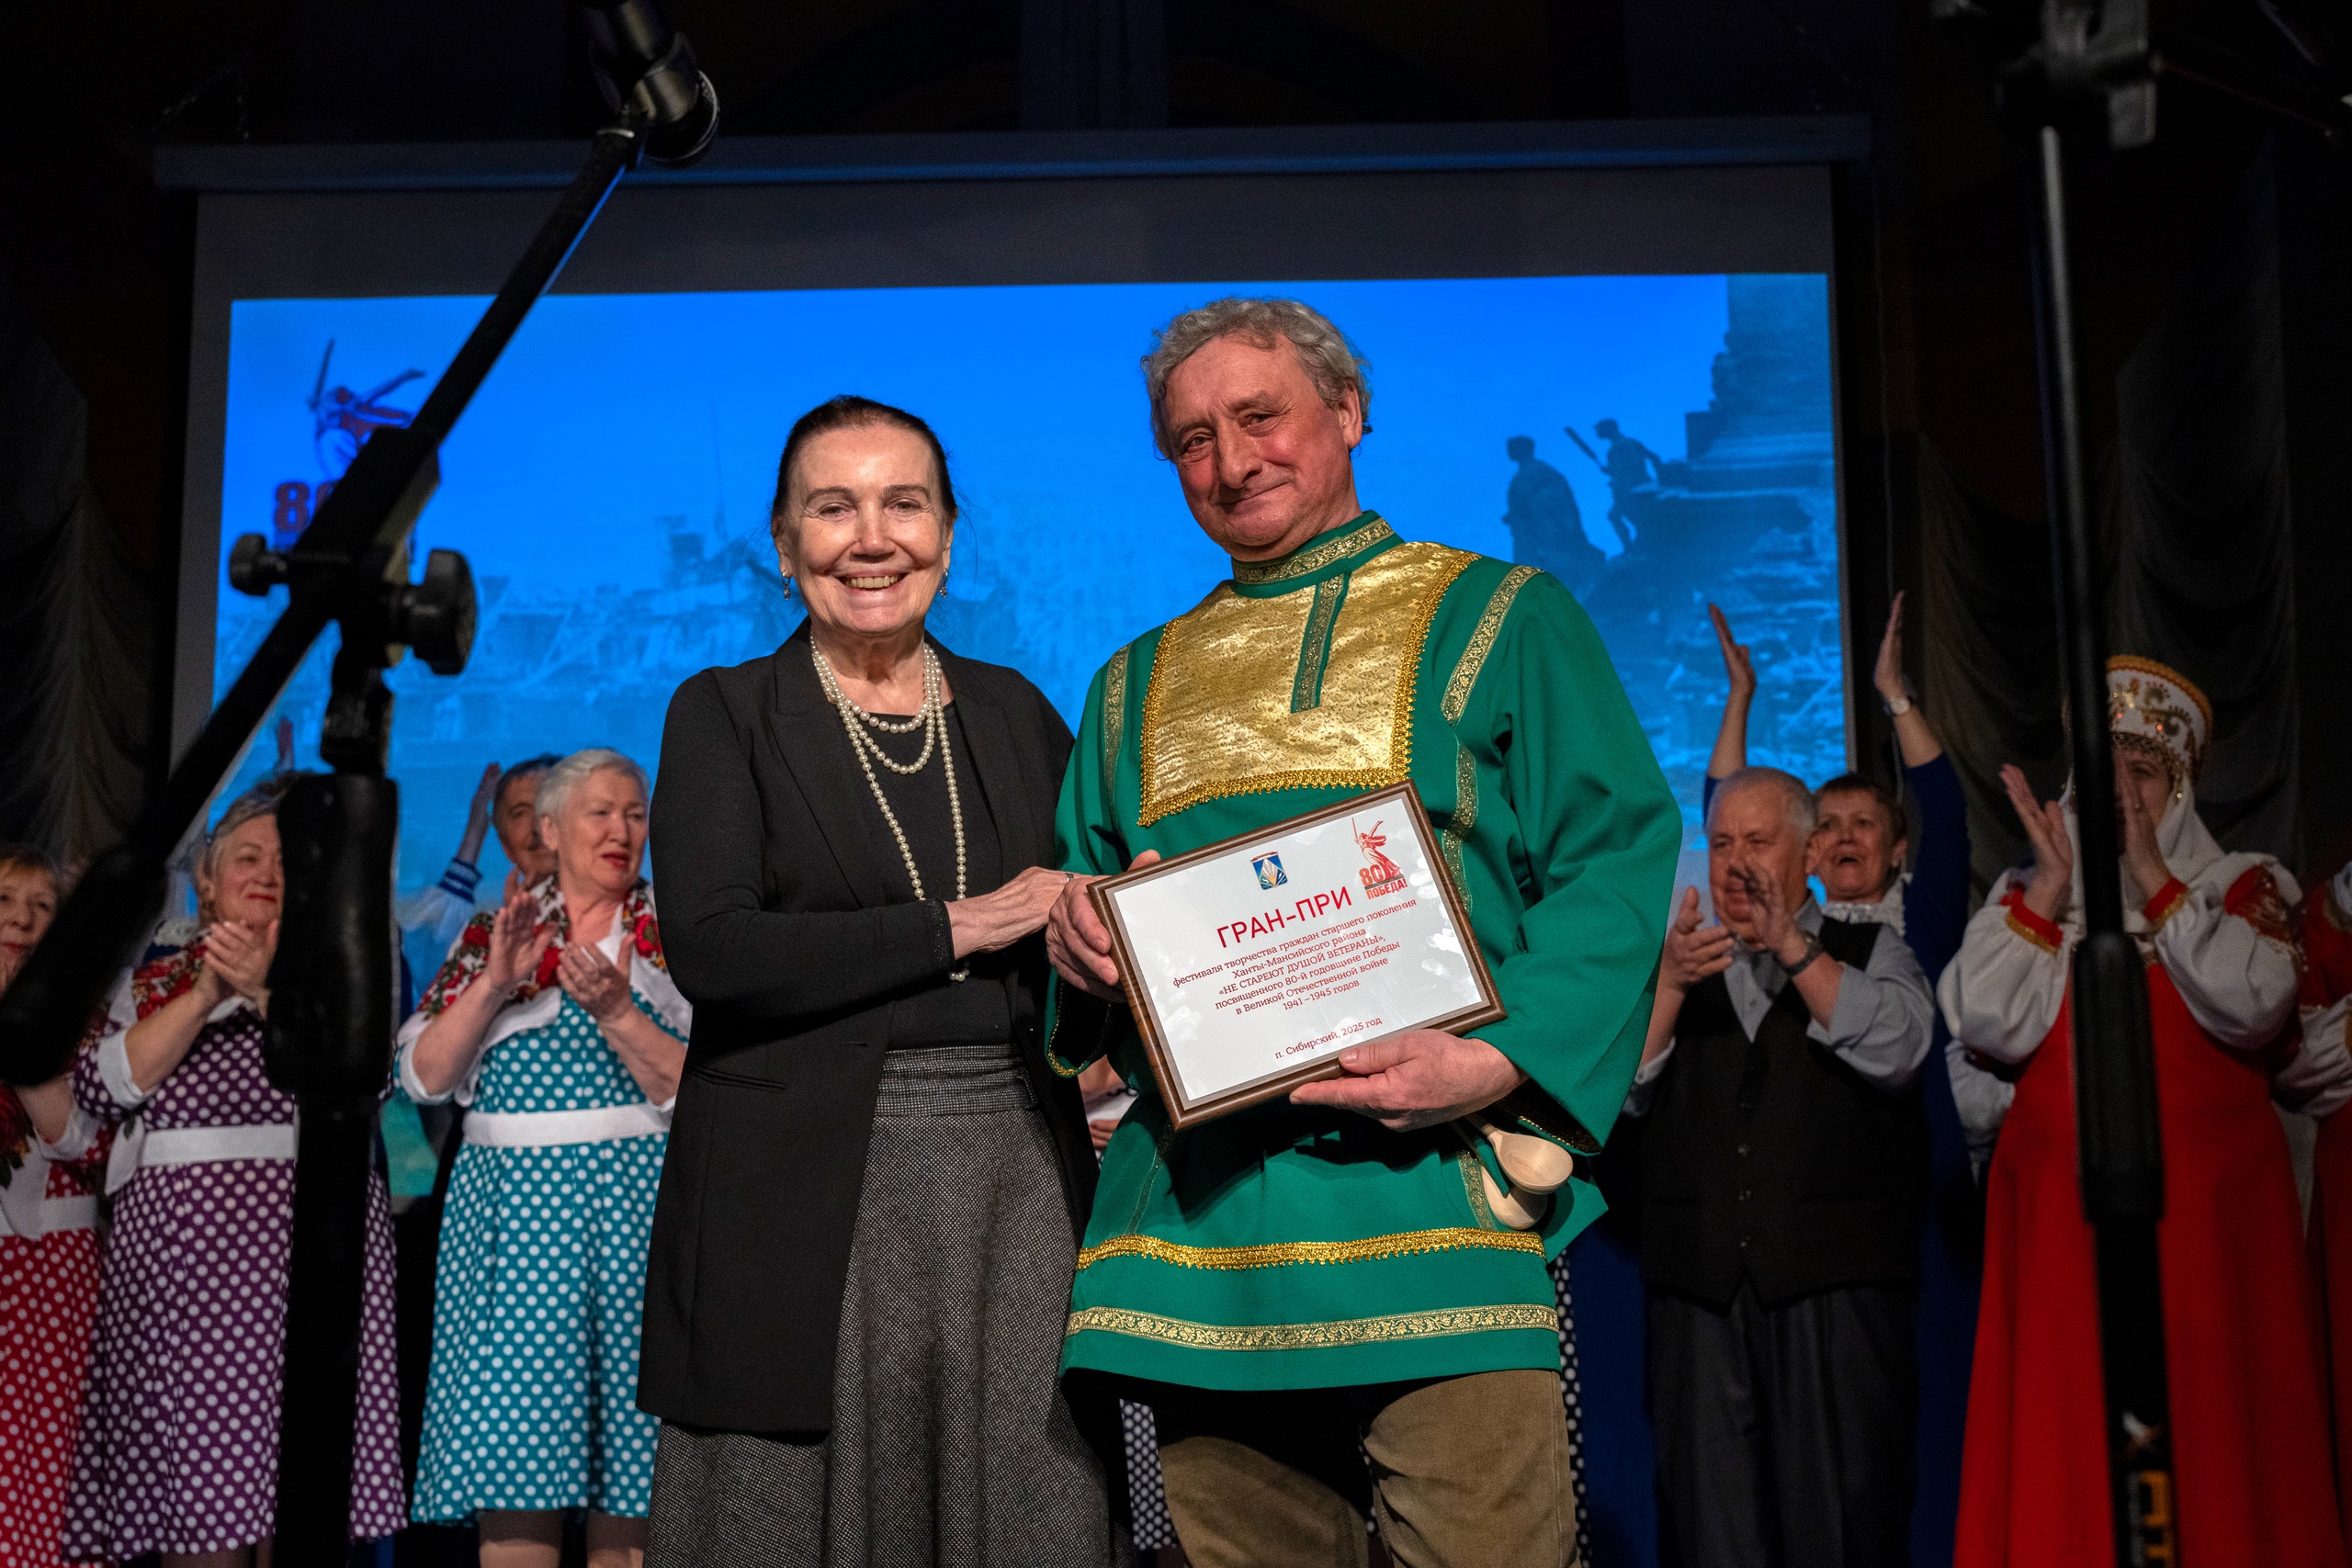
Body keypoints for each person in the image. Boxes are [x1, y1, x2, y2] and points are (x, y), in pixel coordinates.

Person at [1046, 297, 1680, 1568]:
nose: (1231, 462)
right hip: (1203, 1245)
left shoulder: (1503, 613)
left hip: (1435, 1211)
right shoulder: (1127, 684)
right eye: (1192, 440)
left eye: (1259, 416)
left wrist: (1494, 1058)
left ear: (1347, 411)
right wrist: (1083, 944)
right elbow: (1096, 933)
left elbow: (1614, 862)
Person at [639, 395, 1116, 1568]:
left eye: (903, 504)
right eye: (832, 508)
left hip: (1014, 1181)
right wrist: (963, 923)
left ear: (947, 536)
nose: (871, 538)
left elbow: (1075, 945)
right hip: (802, 1193)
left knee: (1028, 1509)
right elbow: (716, 950)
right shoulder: (724, 713)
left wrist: (1117, 929)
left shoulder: (1017, 711)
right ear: (782, 541)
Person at [1939, 657, 2343, 1568]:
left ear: (2181, 788)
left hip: (2202, 1232)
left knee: (2212, 1435)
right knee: (2069, 1431)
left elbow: (2252, 1003)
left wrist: (2154, 873)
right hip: (2064, 1227)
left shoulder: (2241, 885)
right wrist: (2052, 889)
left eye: (2144, 773)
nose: (2119, 795)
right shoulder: (2027, 893)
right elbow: (1982, 1019)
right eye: (2102, 773)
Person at [64, 779, 406, 1566]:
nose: (267, 873)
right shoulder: (153, 980)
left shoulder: (342, 970)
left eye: (287, 861)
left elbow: (370, 1079)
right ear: (207, 881)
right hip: (186, 1263)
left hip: (313, 1247)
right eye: (247, 857)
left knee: (304, 1485)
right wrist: (206, 993)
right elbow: (100, 1088)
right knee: (200, 1500)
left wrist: (262, 989)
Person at [1623, 766, 1935, 1567]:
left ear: (1809, 852)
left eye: (1758, 841)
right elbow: (1619, 1098)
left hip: (1835, 1295)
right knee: (1712, 1531)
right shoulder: (1679, 968)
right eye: (1722, 842)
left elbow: (1903, 1050)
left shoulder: (1874, 949)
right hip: (1701, 1301)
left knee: (1842, 1523)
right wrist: (1667, 987)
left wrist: (1795, 947)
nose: (1736, 862)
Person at [400, 748, 688, 1568]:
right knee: (514, 1482)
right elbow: (423, 1076)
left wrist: (620, 1013)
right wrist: (494, 984)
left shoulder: (673, 938)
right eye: (600, 812)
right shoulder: (496, 936)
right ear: (551, 830)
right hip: (511, 1239)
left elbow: (708, 1090)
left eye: (634, 813)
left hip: (634, 1227)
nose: (621, 830)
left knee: (631, 1489)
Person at [1704, 595, 2005, 1165]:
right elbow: (1724, 810)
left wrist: (1895, 696)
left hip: (1918, 1152)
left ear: (1897, 850)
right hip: (1816, 1152)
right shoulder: (1784, 931)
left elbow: (1944, 812)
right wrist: (1739, 698)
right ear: (1810, 852)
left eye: (1864, 824)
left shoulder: (1923, 918)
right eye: (1829, 826)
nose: (1844, 837)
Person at [0, 846, 107, 1568]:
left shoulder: (84, 1020)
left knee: (43, 1459)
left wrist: (22, 1029)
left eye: (42, 906)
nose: (23, 919)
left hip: (48, 1273)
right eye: (7, 901)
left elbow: (86, 1141)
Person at [1502, 434, 1601, 596]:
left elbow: (1553, 504)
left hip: (1546, 535)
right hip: (1533, 536)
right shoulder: (1524, 475)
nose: (1509, 451)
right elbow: (1525, 505)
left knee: (1557, 572)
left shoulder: (1538, 472)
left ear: (1523, 450)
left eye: (1513, 447)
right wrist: (1513, 516)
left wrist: (1555, 529)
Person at [1591, 417, 1661, 549]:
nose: (1597, 432)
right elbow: (1654, 458)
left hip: (1629, 492)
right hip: (1638, 489)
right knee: (1633, 520)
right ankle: (1635, 547)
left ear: (1609, 430)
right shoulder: (1631, 443)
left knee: (1618, 517)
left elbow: (1625, 470)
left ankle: (1631, 548)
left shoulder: (1617, 449)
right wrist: (1659, 481)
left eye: (1600, 429)